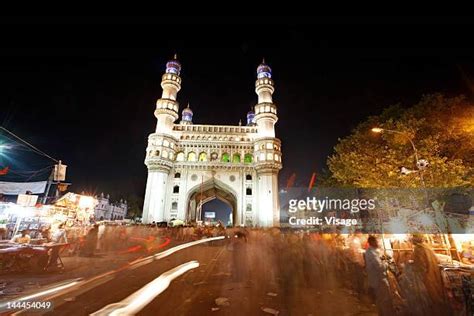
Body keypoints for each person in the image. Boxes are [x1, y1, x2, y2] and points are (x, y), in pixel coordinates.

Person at [411, 234, 448, 315]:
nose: (411, 239)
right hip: (434, 274)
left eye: (413, 237)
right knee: (437, 296)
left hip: (426, 277)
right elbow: (437, 260)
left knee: (430, 298)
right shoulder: (428, 248)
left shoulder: (418, 249)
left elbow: (421, 266)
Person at [364, 235, 397, 316]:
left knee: (381, 299)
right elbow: (380, 267)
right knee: (384, 299)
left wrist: (385, 259)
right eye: (376, 241)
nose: (378, 243)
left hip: (378, 278)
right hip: (379, 279)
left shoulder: (373, 251)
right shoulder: (371, 253)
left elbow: (380, 260)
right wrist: (387, 263)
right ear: (372, 242)